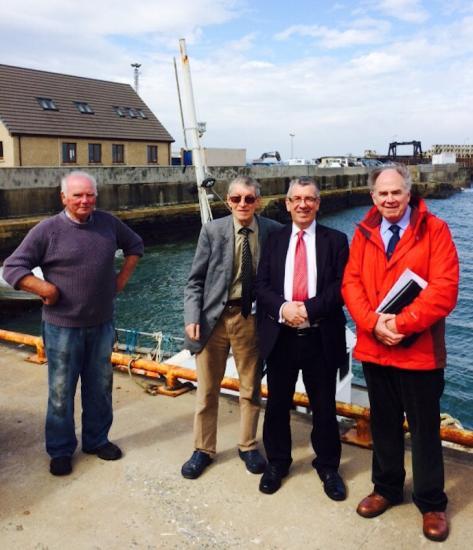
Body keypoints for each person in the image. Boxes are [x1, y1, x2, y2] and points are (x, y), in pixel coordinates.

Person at [342, 165, 459, 542]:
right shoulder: (364, 232)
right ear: (373, 196)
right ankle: (386, 488)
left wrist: (402, 324)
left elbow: (445, 288)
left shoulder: (435, 230)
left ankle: (431, 502)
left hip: (419, 352)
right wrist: (373, 322)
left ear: (409, 193)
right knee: (384, 425)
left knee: (425, 431)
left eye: (396, 192)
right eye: (382, 193)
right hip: (376, 349)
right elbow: (351, 282)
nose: (389, 199)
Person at [3, 171, 144, 476]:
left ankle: (96, 440)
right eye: (77, 195)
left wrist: (119, 281)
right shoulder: (48, 230)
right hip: (61, 327)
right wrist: (45, 289)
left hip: (102, 323)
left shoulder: (108, 223)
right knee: (60, 391)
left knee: (100, 387)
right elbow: (13, 268)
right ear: (64, 197)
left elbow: (135, 246)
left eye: (89, 194)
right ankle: (60, 449)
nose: (84, 201)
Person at [181, 176, 281, 479]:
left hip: (249, 319)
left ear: (258, 202)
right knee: (207, 389)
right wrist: (191, 317)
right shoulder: (212, 231)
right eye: (236, 199)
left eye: (249, 199)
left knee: (250, 389)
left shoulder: (274, 232)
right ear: (227, 200)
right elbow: (194, 280)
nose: (242, 204)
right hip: (213, 320)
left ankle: (248, 445)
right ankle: (203, 449)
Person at [256, 177, 349, 500]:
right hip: (280, 335)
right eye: (296, 199)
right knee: (277, 404)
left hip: (320, 335)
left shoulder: (336, 241)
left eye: (309, 199)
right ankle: (277, 463)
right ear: (287, 203)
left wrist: (307, 309)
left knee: (324, 407)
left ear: (318, 203)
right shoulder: (274, 240)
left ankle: (328, 467)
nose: (303, 205)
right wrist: (284, 308)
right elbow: (262, 285)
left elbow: (340, 288)